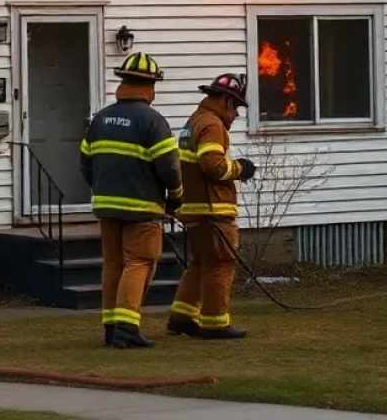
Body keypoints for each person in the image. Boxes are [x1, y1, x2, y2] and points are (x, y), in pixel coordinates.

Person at [80, 51, 183, 349]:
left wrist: (103, 189)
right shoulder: (153, 122)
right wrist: (176, 197)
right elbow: (169, 168)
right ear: (150, 86)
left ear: (123, 82)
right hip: (143, 208)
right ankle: (127, 327)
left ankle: (111, 328)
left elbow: (85, 163)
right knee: (139, 262)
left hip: (107, 206)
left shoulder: (100, 119)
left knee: (113, 264)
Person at [167, 73, 256, 340]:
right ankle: (216, 323)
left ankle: (182, 317)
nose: (237, 114)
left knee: (200, 263)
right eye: (236, 106)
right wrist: (241, 169)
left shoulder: (194, 121)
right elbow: (213, 165)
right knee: (220, 263)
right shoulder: (212, 124)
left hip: (195, 208)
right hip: (212, 209)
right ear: (226, 100)